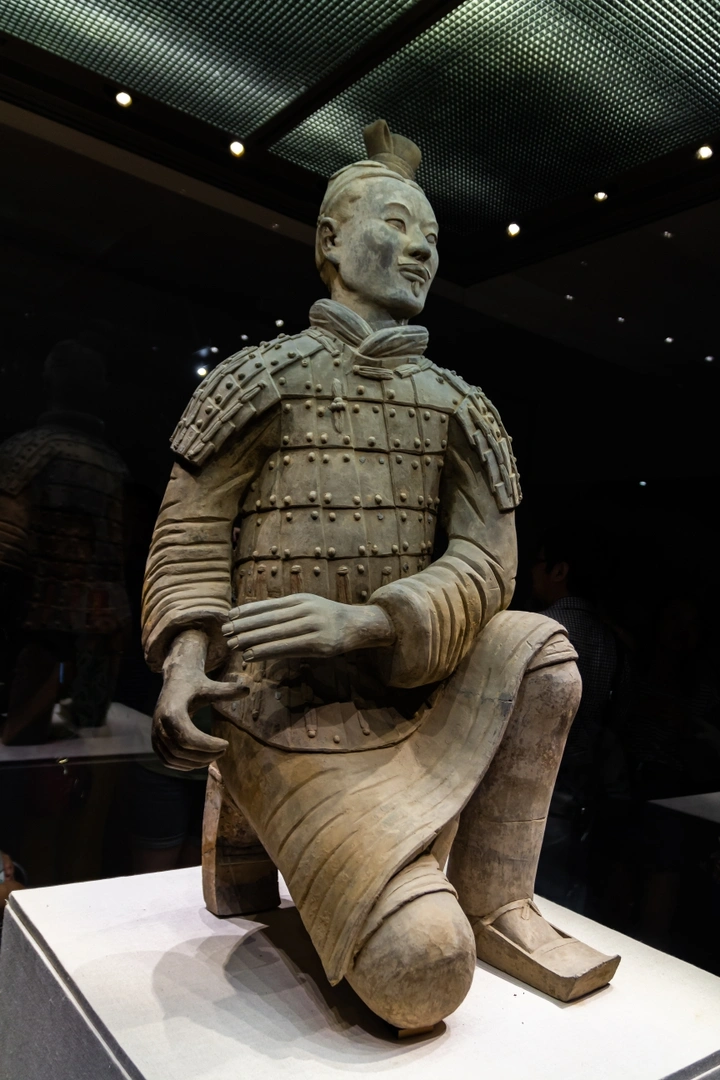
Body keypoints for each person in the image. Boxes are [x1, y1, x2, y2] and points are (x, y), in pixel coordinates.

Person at [142, 120, 619, 1032]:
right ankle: (358, 871)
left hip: (407, 702)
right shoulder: (260, 378)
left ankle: (498, 894)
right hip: (280, 713)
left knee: (541, 648)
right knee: (422, 973)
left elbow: (489, 563)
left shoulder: (459, 406)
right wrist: (184, 662)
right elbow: (193, 530)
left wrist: (366, 623)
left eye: (431, 238)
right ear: (329, 241)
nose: (419, 249)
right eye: (396, 225)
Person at [0, 340, 130, 745]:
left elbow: (6, 545)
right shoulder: (111, 464)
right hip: (95, 612)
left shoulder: (26, 449)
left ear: (48, 380)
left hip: (39, 609)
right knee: (82, 719)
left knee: (27, 725)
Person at [531, 527, 626, 910]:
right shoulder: (611, 641)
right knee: (565, 900)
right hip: (584, 792)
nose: (532, 571)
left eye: (538, 562)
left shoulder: (536, 630)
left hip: (532, 788)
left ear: (559, 571)